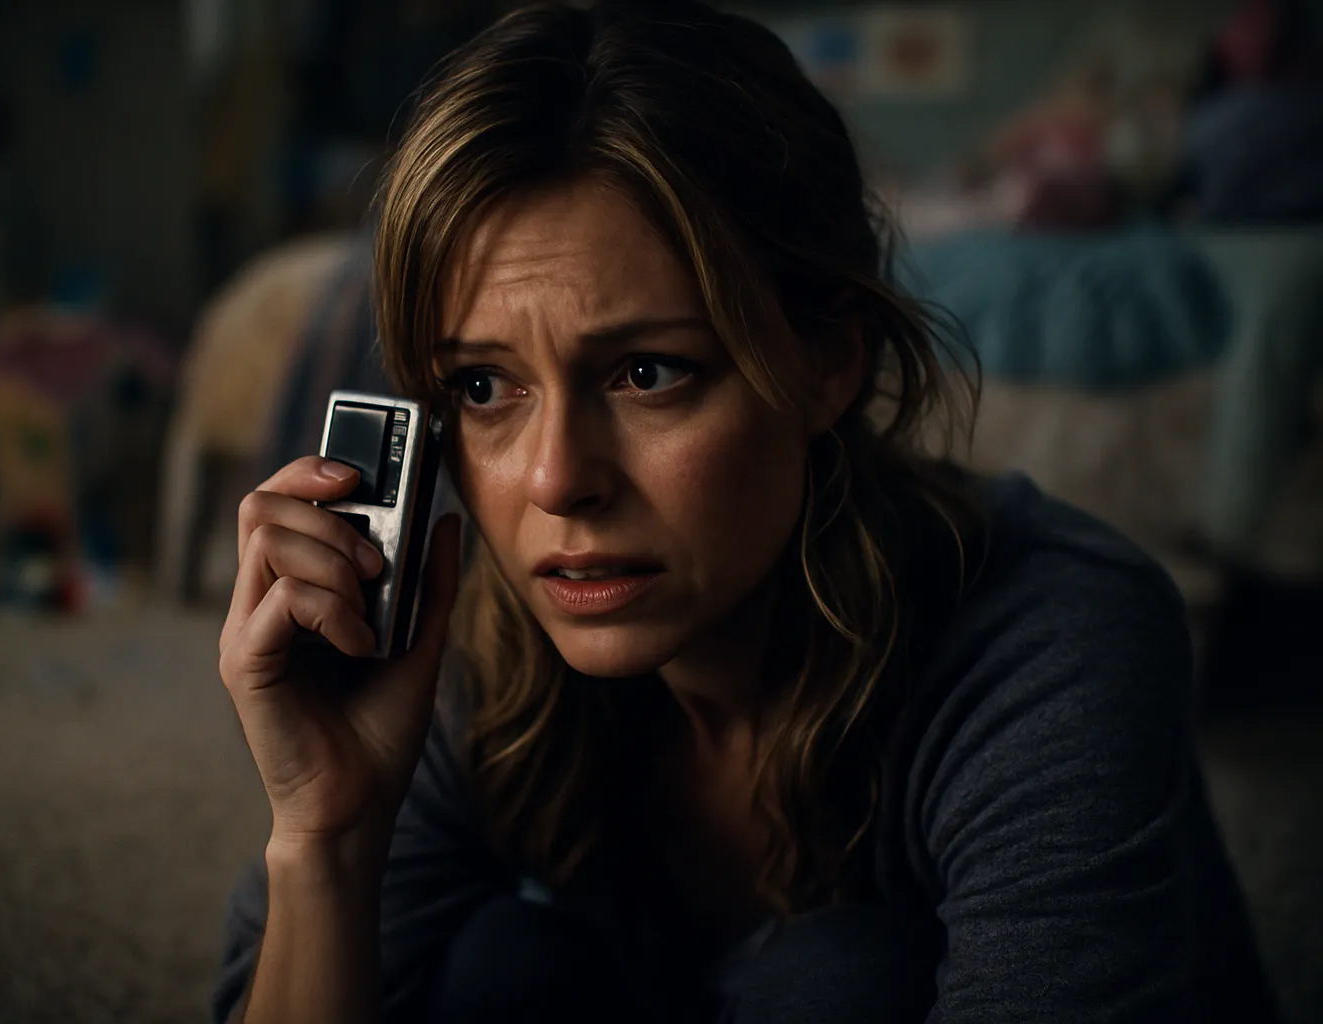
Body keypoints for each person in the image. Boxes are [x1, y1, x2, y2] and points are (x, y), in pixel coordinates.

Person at [212, 2, 1277, 1021]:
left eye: (645, 371)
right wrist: (328, 838)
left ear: (825, 362)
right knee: (505, 967)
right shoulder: (467, 654)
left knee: (838, 983)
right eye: (485, 387)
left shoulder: (1049, 646)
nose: (554, 482)